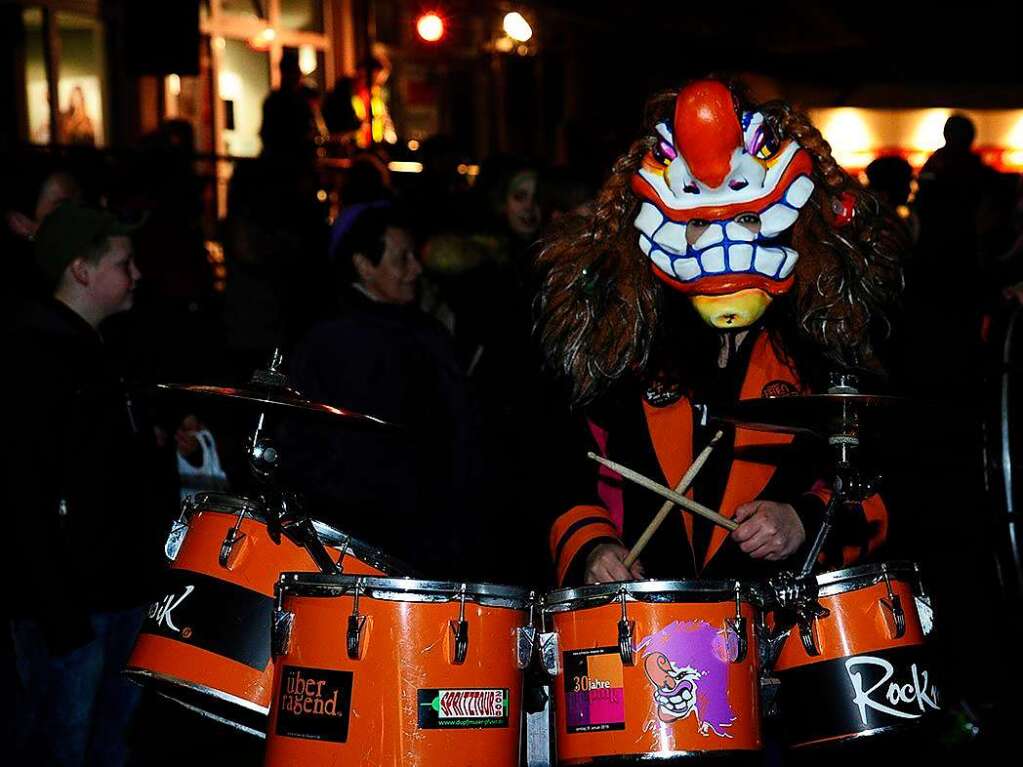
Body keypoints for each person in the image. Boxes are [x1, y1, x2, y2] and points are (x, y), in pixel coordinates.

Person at [536, 80, 904, 586]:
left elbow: (894, 482)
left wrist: (803, 520)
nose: (723, 242)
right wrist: (593, 545)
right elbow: (561, 467)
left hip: (783, 629)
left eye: (750, 218)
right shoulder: (622, 340)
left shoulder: (829, 338)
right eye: (696, 225)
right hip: (645, 628)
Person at [4, 201, 179, 766]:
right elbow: (24, 493)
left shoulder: (105, 350)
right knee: (62, 743)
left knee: (110, 743)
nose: (137, 275)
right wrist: (59, 614)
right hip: (75, 606)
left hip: (118, 591)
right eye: (123, 264)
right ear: (81, 270)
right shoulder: (36, 360)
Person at [280, 204, 484, 578]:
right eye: (401, 258)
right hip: (365, 545)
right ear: (363, 265)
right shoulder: (329, 342)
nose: (416, 270)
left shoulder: (424, 331)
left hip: (434, 540)